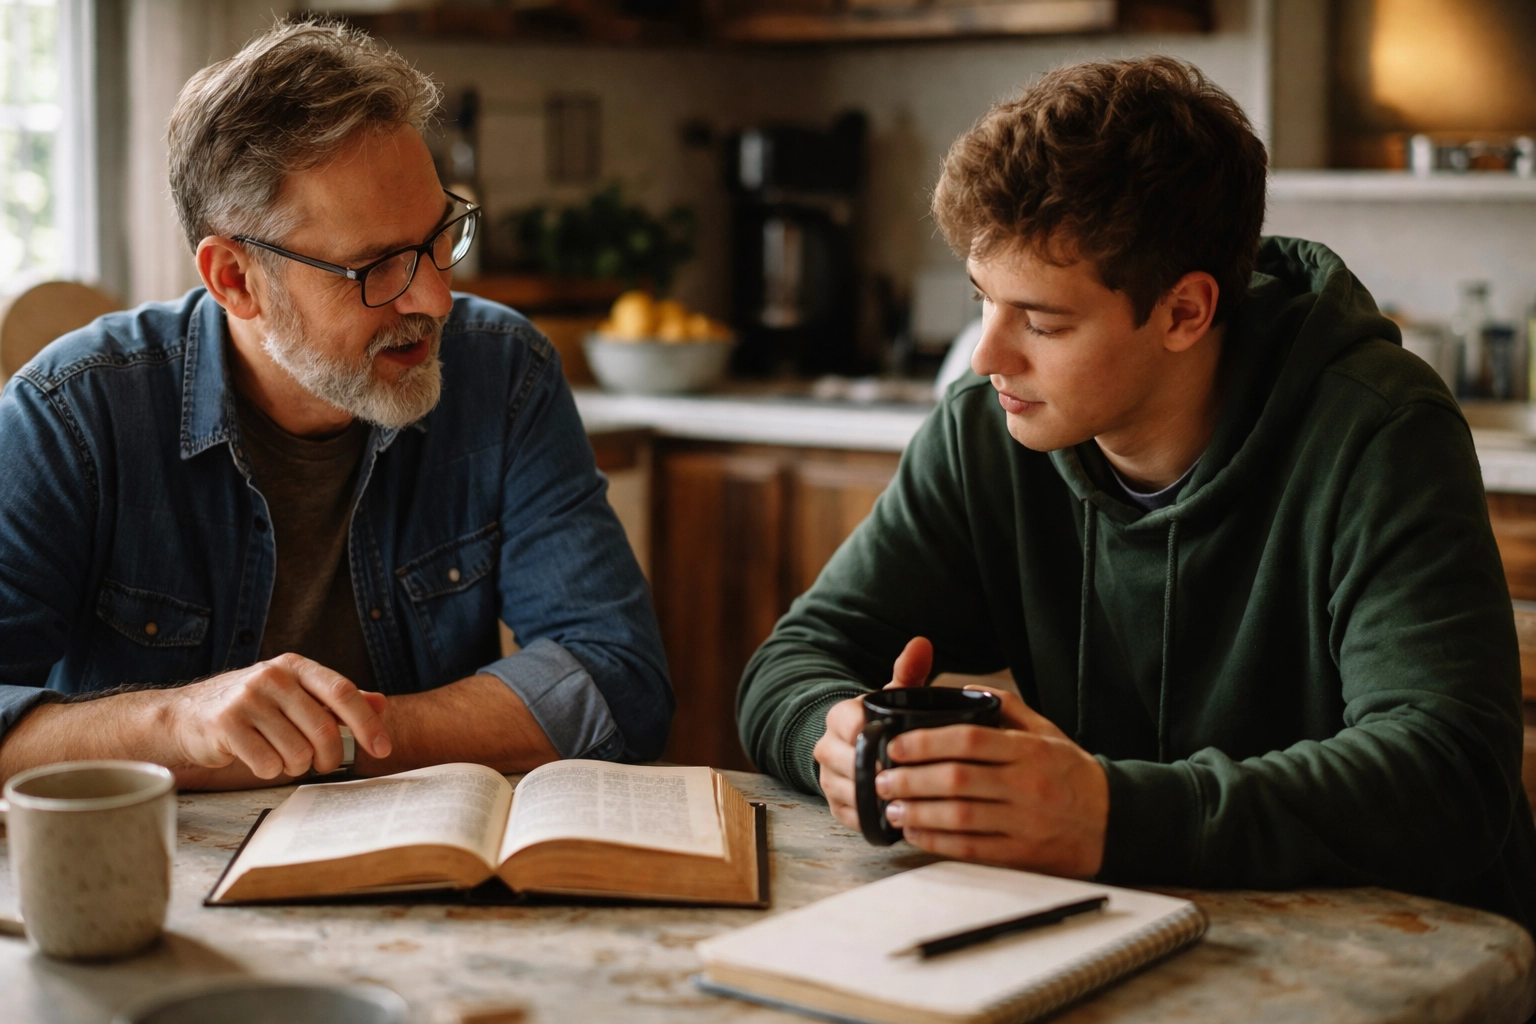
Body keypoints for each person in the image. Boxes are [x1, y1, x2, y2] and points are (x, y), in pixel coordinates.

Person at [737, 56, 1536, 929]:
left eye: (1043, 321)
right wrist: (832, 736)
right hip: (1128, 930)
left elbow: (1449, 776)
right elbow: (791, 660)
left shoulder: (1379, 429)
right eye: (983, 302)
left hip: (1410, 953)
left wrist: (1110, 815)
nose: (988, 356)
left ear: (1185, 313)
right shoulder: (985, 428)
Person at [0, 19, 671, 789]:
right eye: (377, 266)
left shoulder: (504, 372)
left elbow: (620, 680)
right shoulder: (73, 416)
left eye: (439, 237)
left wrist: (336, 741)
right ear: (235, 280)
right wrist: (178, 725)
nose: (435, 298)